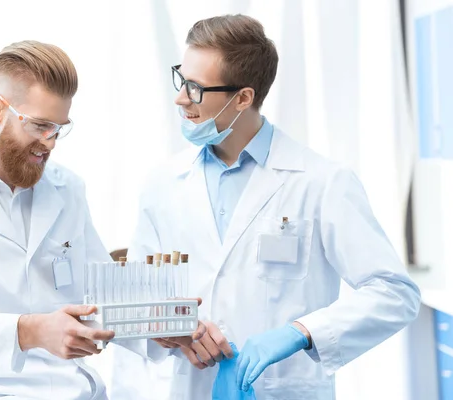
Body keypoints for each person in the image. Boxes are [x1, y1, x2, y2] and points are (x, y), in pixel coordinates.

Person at [111, 14, 421, 400]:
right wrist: (169, 330)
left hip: (282, 390)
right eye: (181, 79)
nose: (180, 98)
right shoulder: (162, 185)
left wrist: (302, 331)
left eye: (196, 89)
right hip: (189, 388)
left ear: (243, 98)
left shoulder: (321, 182)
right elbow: (133, 300)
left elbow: (395, 293)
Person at [0, 40, 203, 400]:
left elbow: (96, 296)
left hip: (77, 391)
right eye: (39, 126)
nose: (50, 143)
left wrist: (152, 326)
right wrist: (28, 331)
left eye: (59, 128)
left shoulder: (66, 189)